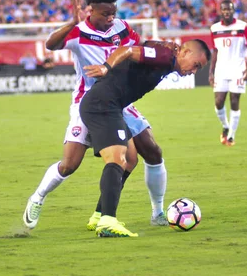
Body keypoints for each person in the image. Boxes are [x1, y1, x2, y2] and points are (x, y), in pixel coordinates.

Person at [23, 0, 170, 231]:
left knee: (146, 153)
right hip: (88, 101)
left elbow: (138, 49)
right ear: (90, 11)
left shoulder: (122, 28)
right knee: (70, 164)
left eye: (113, 13)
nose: (110, 18)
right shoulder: (78, 33)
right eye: (105, 14)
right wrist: (71, 22)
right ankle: (38, 197)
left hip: (120, 101)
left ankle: (150, 213)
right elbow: (51, 44)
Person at [80, 39, 210, 237]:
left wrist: (156, 42)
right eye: (196, 65)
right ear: (185, 53)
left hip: (112, 106)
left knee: (131, 159)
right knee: (117, 159)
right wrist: (106, 67)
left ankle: (98, 215)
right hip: (103, 104)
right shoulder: (165, 57)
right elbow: (128, 50)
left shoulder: (165, 58)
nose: (194, 71)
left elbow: (144, 48)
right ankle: (107, 221)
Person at [208, 0, 247, 146]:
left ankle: (232, 135)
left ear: (233, 11)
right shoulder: (214, 29)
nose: (226, 12)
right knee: (218, 101)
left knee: (234, 101)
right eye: (224, 10)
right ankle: (226, 126)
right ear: (220, 11)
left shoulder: (242, 27)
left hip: (237, 69)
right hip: (221, 70)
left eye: (229, 9)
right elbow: (215, 51)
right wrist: (211, 72)